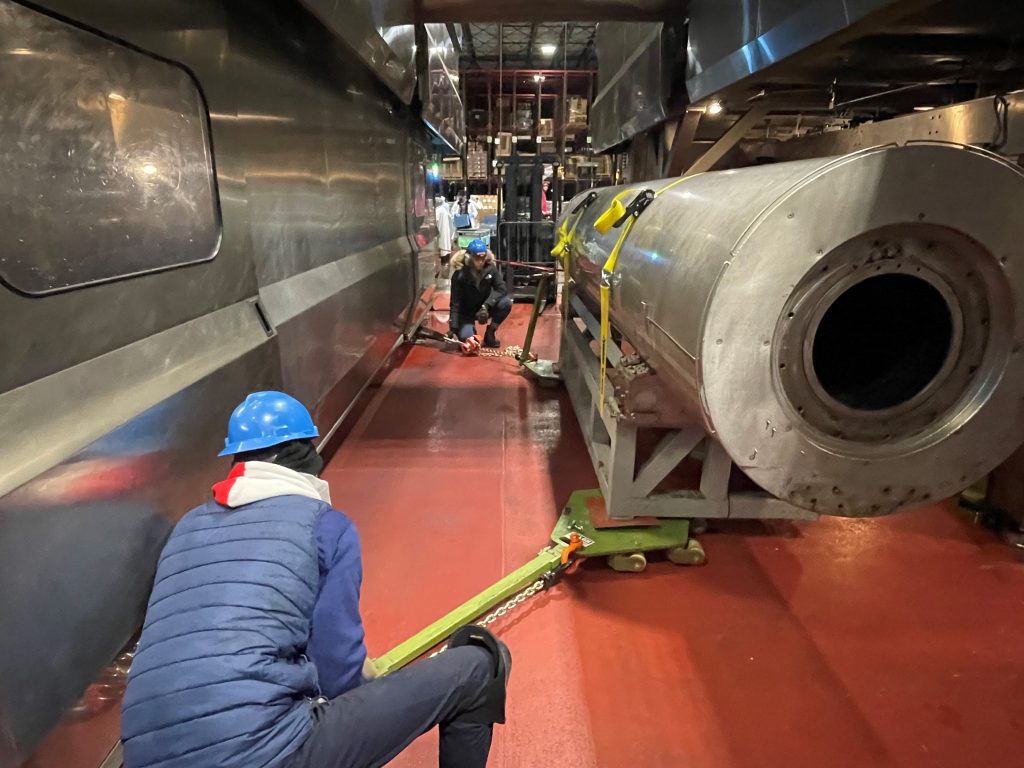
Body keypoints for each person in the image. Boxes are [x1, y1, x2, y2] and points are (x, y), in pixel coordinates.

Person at [120, 391, 511, 768]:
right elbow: (338, 673)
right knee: (479, 665)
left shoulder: (187, 526)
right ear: (307, 453)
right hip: (264, 753)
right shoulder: (324, 526)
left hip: (145, 755)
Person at [448, 239, 512, 349]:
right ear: (469, 257)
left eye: (483, 258)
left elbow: (501, 289)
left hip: (485, 306)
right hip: (466, 312)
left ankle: (490, 332)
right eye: (477, 258)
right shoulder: (459, 274)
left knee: (506, 303)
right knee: (469, 340)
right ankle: (466, 331)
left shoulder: (491, 268)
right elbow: (455, 301)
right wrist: (453, 327)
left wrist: (486, 305)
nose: (480, 262)